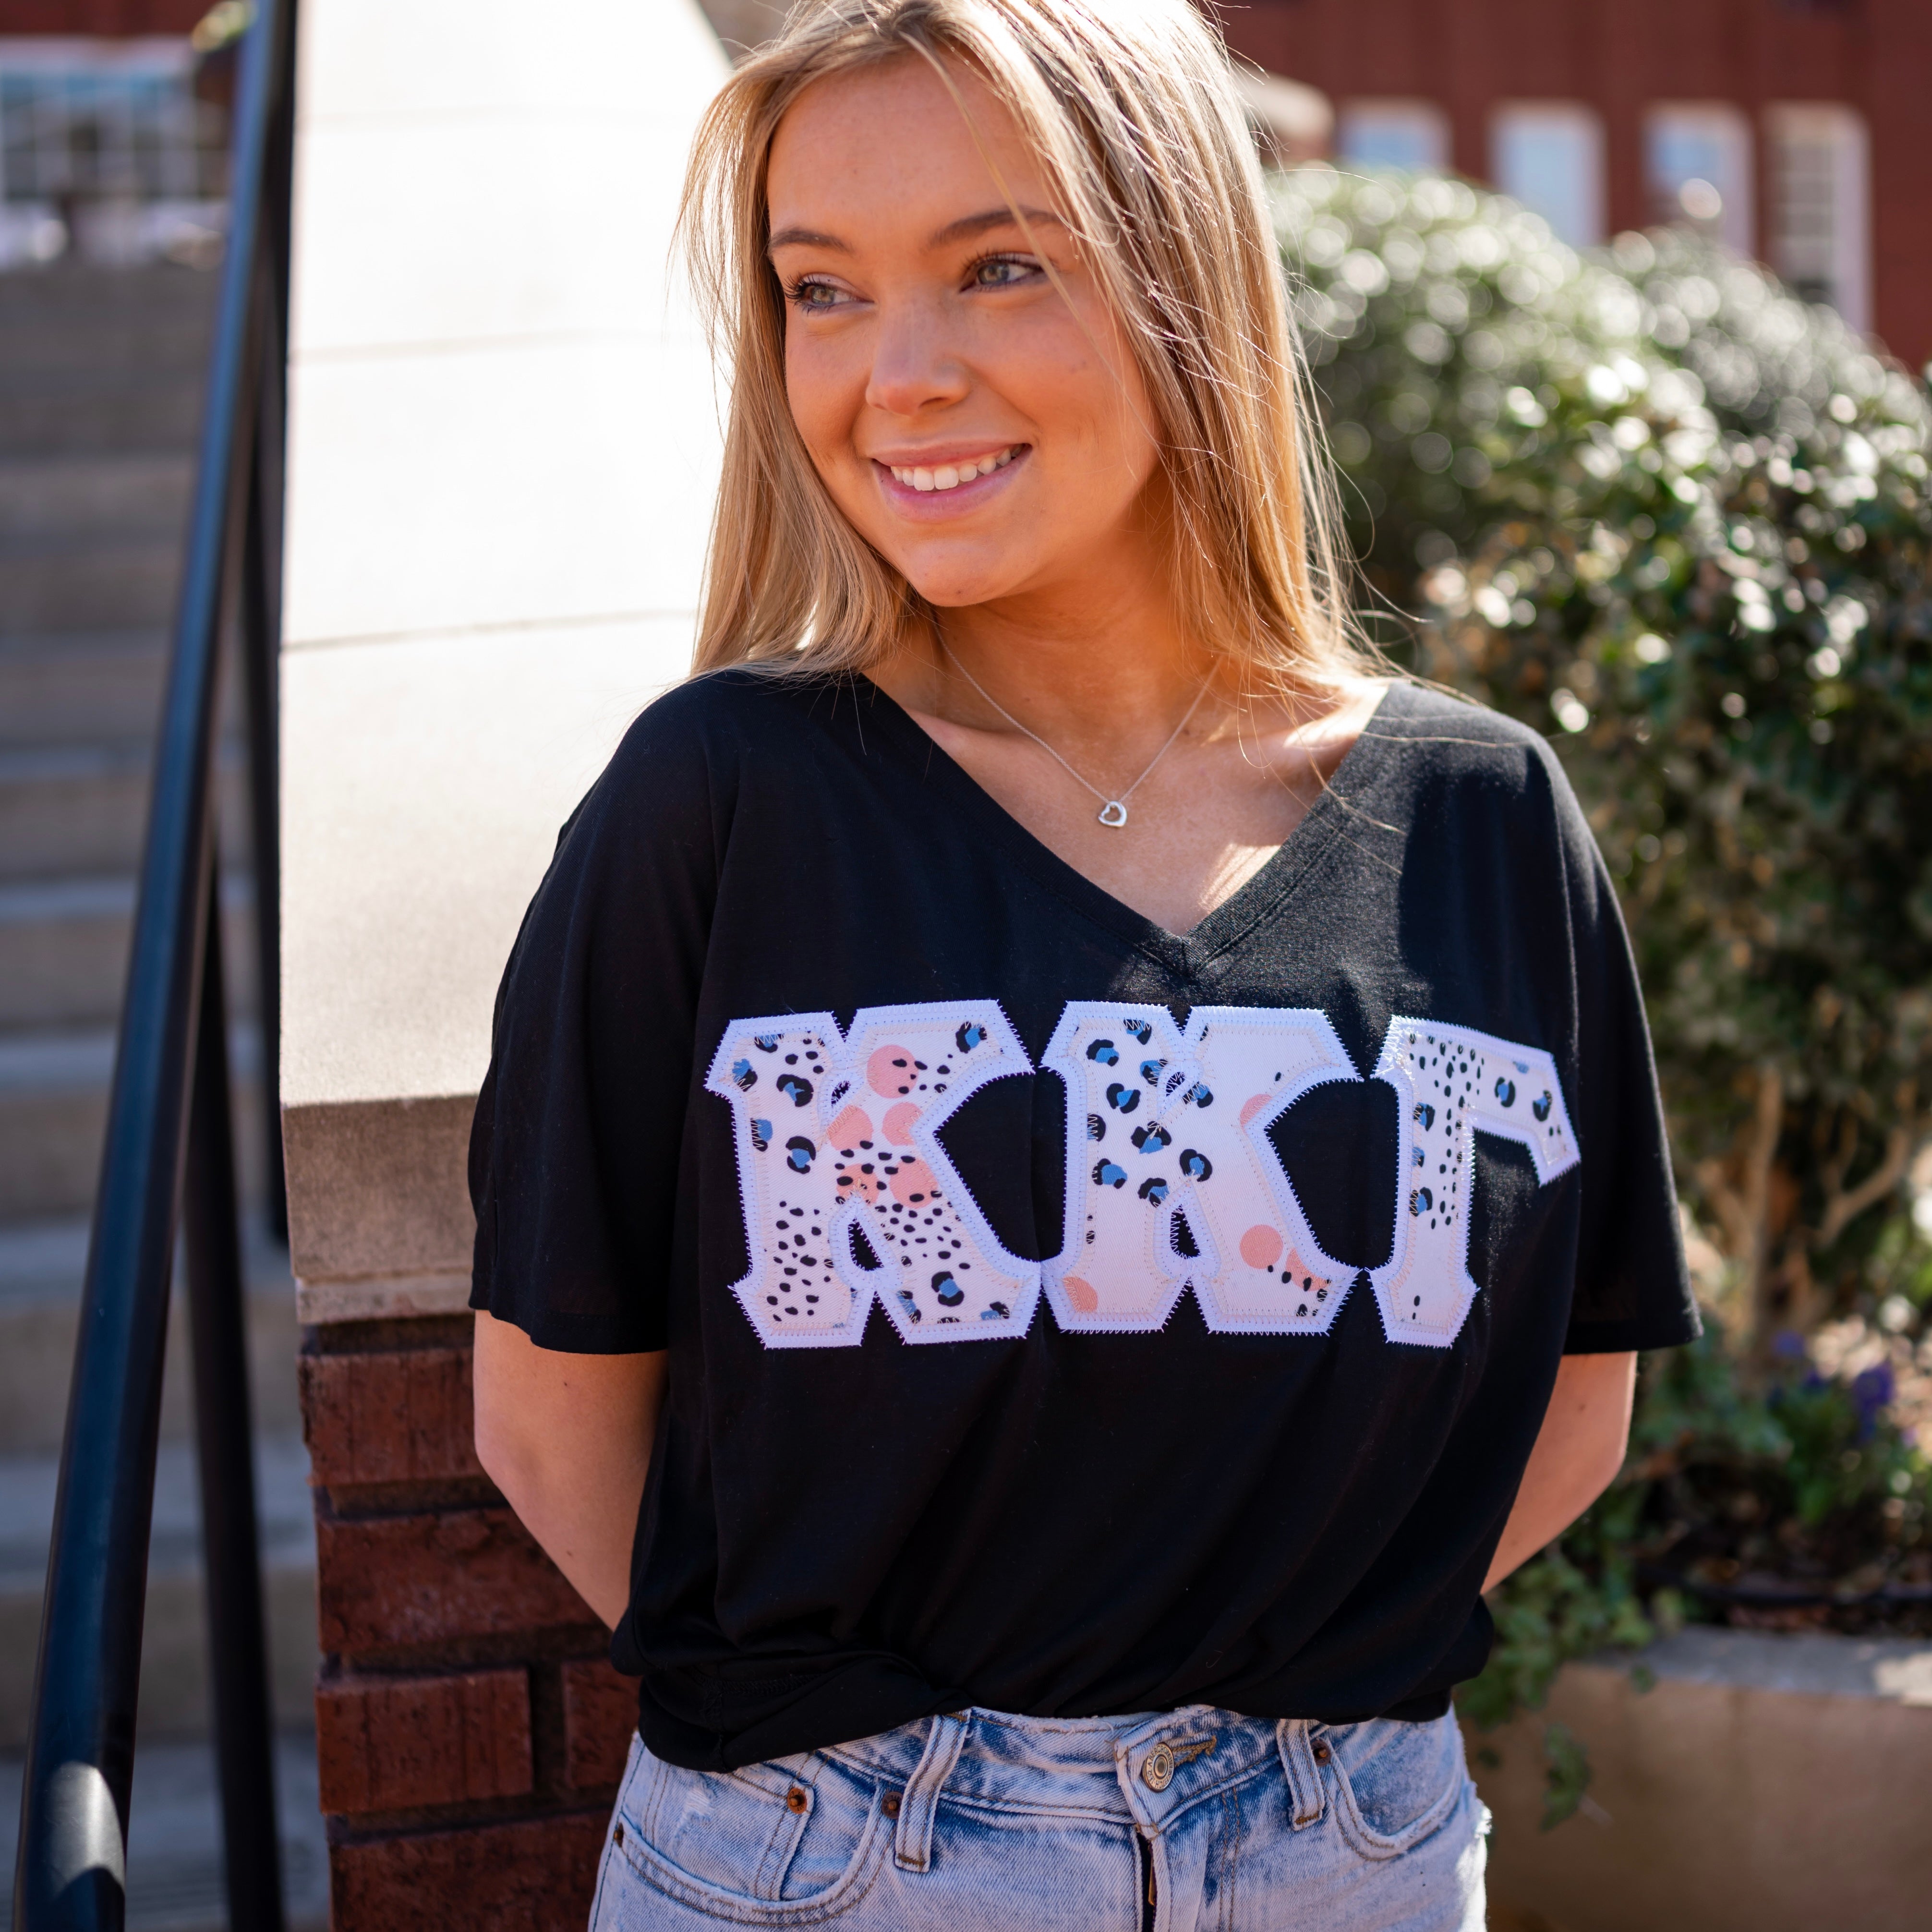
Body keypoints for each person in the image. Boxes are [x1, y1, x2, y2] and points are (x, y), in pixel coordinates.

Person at [468, 2, 1699, 1926]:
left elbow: (1575, 1386)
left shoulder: (1477, 814)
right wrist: (886, 1778)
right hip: (826, 1868)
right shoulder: (716, 802)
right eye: (823, 290)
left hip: (1345, 1859)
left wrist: (1279, 1743)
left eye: (1001, 268)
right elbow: (549, 1412)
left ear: (1184, 276)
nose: (898, 376)